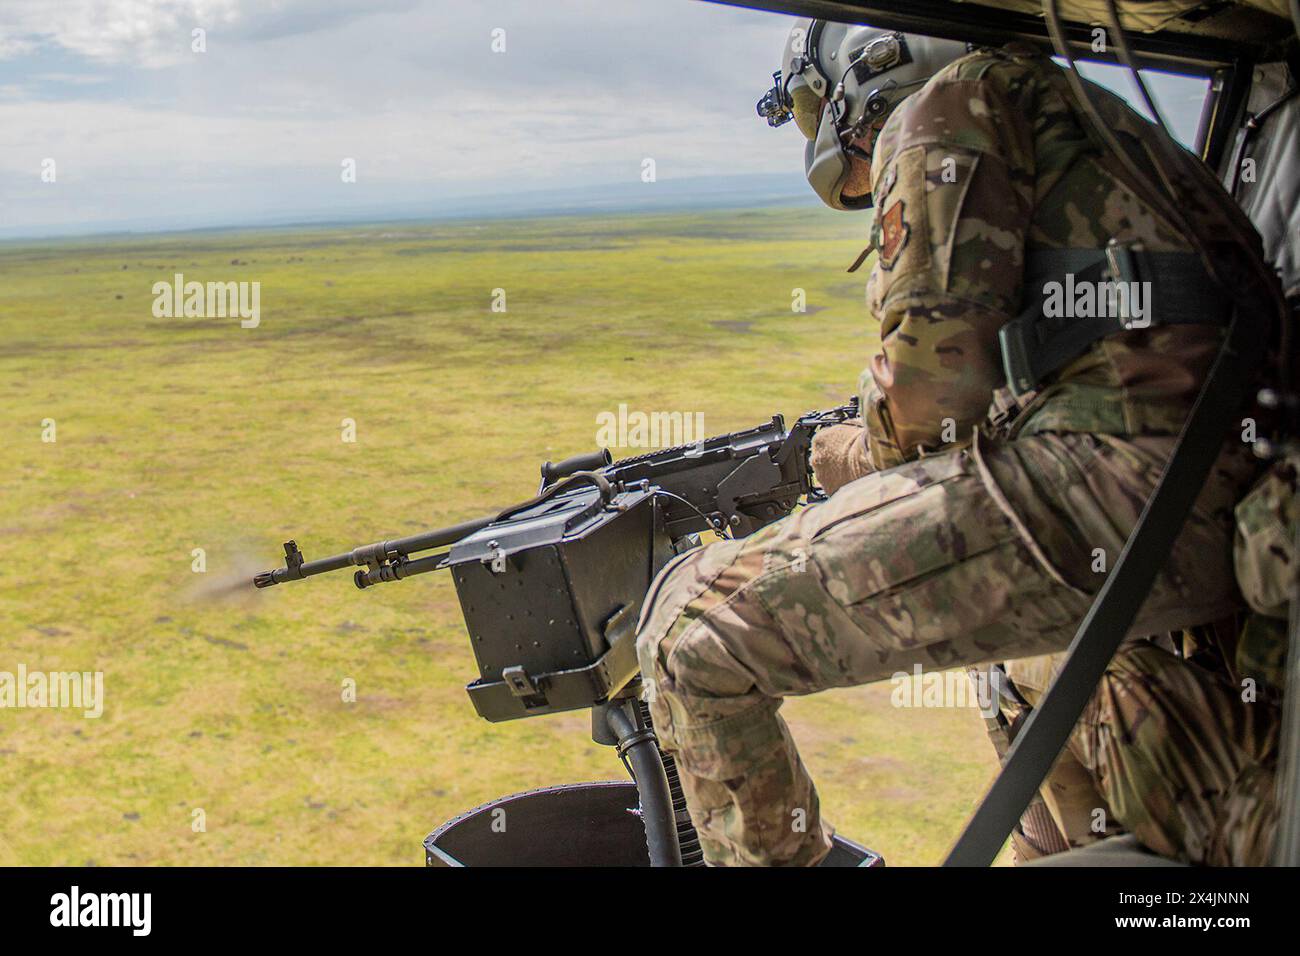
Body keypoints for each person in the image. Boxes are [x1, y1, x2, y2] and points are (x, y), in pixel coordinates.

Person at [635, 18, 1280, 866]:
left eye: (809, 107)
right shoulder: (1096, 123)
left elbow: (931, 404)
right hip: (1225, 491)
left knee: (694, 634)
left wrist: (846, 460)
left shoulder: (949, 103)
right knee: (1017, 677)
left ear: (865, 72)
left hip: (1124, 480)